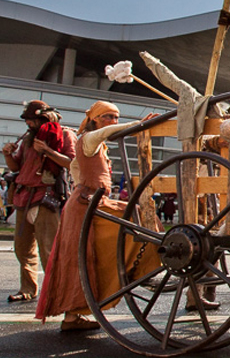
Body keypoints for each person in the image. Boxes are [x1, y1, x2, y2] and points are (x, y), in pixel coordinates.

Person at [34, 102, 152, 331]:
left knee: (89, 255)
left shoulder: (94, 144)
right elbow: (106, 133)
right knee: (81, 257)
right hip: (85, 206)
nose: (114, 121)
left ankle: (76, 313)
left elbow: (77, 165)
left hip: (93, 202)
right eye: (109, 116)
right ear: (96, 119)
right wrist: (140, 124)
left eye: (116, 117)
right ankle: (141, 269)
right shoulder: (89, 138)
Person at [3, 101, 73, 304]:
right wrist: (8, 154)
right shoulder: (27, 139)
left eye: (31, 120)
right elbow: (17, 166)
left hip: (46, 197)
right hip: (24, 197)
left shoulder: (65, 135)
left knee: (48, 249)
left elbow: (71, 162)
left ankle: (53, 291)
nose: (28, 124)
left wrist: (48, 151)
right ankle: (28, 289)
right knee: (22, 248)